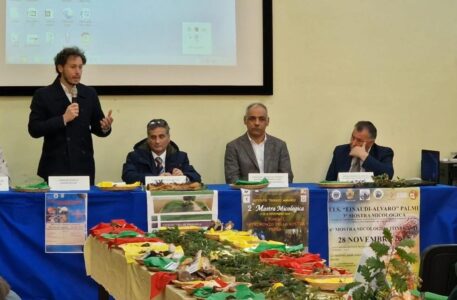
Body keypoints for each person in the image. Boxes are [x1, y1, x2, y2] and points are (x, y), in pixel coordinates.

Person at [28, 47, 113, 185]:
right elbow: (34, 129)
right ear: (60, 68)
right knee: (57, 207)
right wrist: (63, 119)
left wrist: (105, 127)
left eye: (80, 67)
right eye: (73, 67)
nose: (78, 71)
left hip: (83, 168)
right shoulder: (44, 95)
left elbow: (98, 128)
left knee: (85, 206)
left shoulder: (89, 93)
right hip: (55, 168)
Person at [224, 103, 293, 183]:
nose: (257, 123)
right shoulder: (233, 147)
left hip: (273, 194)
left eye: (261, 119)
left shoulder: (280, 146)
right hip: (244, 194)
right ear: (245, 120)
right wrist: (255, 188)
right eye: (252, 118)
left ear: (268, 122)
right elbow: (232, 179)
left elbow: (287, 177)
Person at [122, 119, 201, 184]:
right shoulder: (135, 156)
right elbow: (127, 176)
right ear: (148, 139)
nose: (157, 141)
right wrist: (156, 179)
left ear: (168, 138)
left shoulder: (180, 157)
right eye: (153, 137)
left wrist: (183, 177)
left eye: (161, 136)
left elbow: (196, 177)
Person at [325, 121, 394, 181]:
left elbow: (388, 175)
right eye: (353, 137)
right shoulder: (340, 151)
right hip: (342, 194)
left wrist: (364, 156)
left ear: (371, 142)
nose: (353, 143)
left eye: (359, 140)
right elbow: (329, 181)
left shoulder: (384, 152)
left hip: (370, 195)